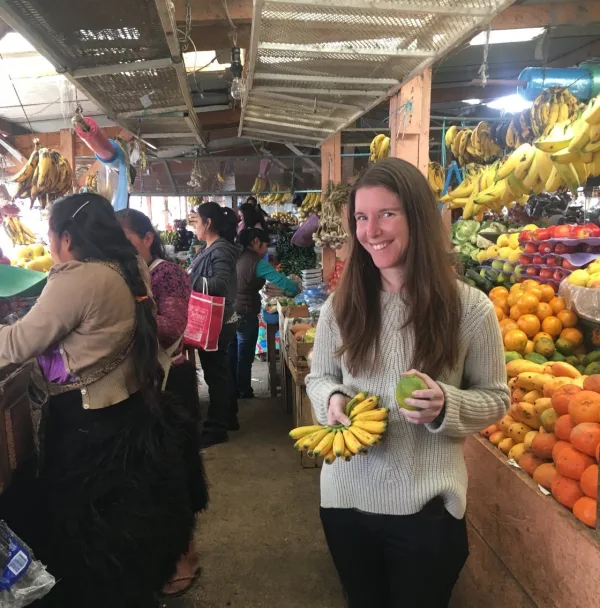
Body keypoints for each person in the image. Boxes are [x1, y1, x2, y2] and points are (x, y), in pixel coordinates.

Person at [306, 158, 509, 608]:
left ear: (416, 216)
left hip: (426, 512)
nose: (371, 230)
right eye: (361, 217)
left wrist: (445, 406)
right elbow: (319, 376)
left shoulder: (470, 309)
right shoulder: (342, 306)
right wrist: (333, 399)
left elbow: (496, 398)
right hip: (346, 501)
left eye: (387, 214)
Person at [0, 194, 195, 608]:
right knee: (125, 542)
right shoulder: (129, 267)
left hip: (88, 431)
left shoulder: (80, 277)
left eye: (51, 237)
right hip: (125, 416)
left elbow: (17, 343)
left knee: (90, 544)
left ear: (66, 237)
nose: (51, 247)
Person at [116, 208, 207, 597]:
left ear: (147, 237)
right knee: (156, 470)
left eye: (126, 237)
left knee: (178, 465)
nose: (119, 246)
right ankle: (168, 551)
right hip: (148, 382)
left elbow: (172, 326)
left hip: (174, 380)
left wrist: (115, 324)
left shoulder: (165, 274)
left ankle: (187, 556)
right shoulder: (127, 275)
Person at [188, 202, 240, 448]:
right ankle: (229, 418)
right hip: (217, 320)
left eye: (196, 221)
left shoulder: (221, 250)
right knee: (219, 371)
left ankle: (217, 428)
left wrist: (187, 280)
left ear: (208, 223)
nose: (195, 227)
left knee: (216, 374)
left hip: (217, 321)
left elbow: (219, 285)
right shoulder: (210, 248)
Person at [231, 228, 300, 399]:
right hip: (246, 312)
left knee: (234, 353)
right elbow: (281, 281)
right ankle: (245, 390)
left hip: (230, 310)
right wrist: (297, 289)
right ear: (256, 241)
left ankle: (234, 389)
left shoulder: (235, 253)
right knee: (245, 355)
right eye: (265, 246)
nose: (265, 250)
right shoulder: (257, 262)